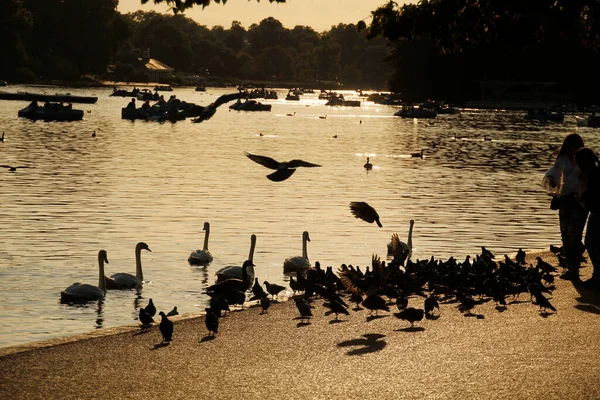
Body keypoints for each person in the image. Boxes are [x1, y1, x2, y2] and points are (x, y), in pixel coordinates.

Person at [542, 133, 587, 280]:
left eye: (574, 147)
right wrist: (552, 181)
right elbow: (554, 174)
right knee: (565, 235)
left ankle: (574, 267)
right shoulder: (563, 159)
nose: (571, 150)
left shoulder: (584, 159)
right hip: (565, 199)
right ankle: (571, 268)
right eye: (569, 147)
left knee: (574, 234)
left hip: (580, 201)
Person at [575, 147, 600, 290]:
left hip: (598, 212)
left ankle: (598, 275)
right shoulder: (594, 172)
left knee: (590, 242)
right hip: (596, 211)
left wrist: (583, 197)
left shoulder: (594, 174)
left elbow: (595, 194)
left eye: (578, 162)